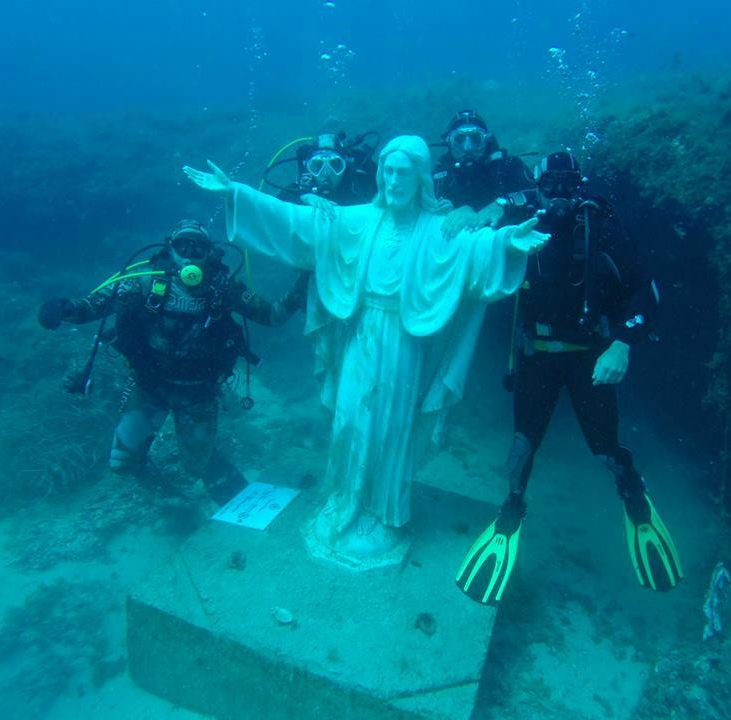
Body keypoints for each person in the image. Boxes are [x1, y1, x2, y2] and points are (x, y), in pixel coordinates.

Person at [183, 136, 548, 560]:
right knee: (351, 420)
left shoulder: (436, 228)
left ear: (421, 179)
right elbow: (297, 223)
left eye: (404, 173)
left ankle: (382, 513)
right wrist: (237, 193)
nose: (394, 180)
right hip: (363, 338)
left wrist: (507, 244)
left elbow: (474, 248)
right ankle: (345, 500)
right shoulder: (358, 220)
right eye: (388, 171)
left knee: (392, 427)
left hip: (404, 344)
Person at [456, 151, 681, 605]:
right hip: (536, 357)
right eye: (549, 187)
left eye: (567, 186)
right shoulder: (522, 216)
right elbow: (480, 229)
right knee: (524, 443)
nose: (558, 196)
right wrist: (472, 210)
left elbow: (645, 289)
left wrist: (623, 343)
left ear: (579, 187)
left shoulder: (600, 227)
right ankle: (513, 507)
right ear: (537, 187)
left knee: (604, 447)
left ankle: (631, 490)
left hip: (589, 360)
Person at [37, 220, 308, 502]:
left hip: (198, 391)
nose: (190, 252)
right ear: (170, 247)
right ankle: (172, 502)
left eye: (198, 246)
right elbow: (92, 307)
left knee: (195, 466)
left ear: (209, 252)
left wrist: (302, 286)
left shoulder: (223, 287)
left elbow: (271, 315)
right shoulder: (143, 280)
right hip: (148, 386)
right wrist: (64, 308)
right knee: (122, 461)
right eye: (183, 245)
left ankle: (208, 465)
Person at [433, 110, 534, 238]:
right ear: (449, 143)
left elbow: (536, 194)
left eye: (476, 139)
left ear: (486, 140)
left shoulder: (508, 166)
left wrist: (504, 203)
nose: (467, 148)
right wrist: (447, 213)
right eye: (459, 140)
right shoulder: (440, 178)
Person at [276, 131, 378, 206]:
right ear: (308, 168)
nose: (326, 173)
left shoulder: (362, 184)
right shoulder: (297, 191)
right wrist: (304, 195)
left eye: (335, 165)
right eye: (317, 166)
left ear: (346, 165)